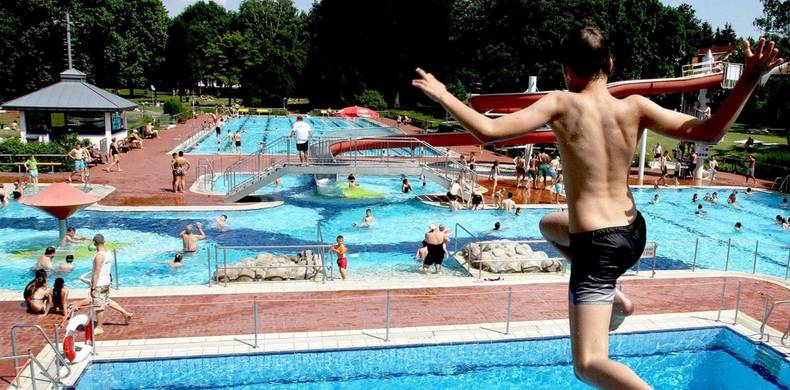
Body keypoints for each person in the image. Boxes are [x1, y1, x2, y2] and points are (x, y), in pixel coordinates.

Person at [411, 27, 783, 389]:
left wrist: (444, 94)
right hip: (633, 232)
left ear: (567, 71)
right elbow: (711, 131)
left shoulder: (560, 103)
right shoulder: (635, 107)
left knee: (588, 365)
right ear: (610, 63)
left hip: (597, 248)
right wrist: (749, 79)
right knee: (548, 225)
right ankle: (616, 298)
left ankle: (612, 297)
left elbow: (488, 132)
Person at [90, 234, 131, 336]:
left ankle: (99, 327)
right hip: (107, 281)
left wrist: (93, 287)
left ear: (94, 243)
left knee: (99, 306)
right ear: (104, 242)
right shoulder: (108, 253)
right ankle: (125, 313)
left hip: (99, 283)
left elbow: (96, 272)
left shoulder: (99, 256)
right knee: (107, 301)